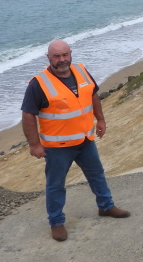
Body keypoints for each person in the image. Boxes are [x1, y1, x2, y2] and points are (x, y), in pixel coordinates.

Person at [21, 40, 130, 241]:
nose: (62, 60)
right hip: (58, 148)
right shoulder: (39, 84)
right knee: (56, 185)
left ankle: (106, 207)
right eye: (56, 56)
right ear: (49, 58)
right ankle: (56, 222)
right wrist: (34, 144)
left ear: (70, 54)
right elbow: (28, 115)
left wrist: (101, 119)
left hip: (86, 140)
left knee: (97, 174)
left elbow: (93, 96)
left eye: (65, 55)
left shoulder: (81, 70)